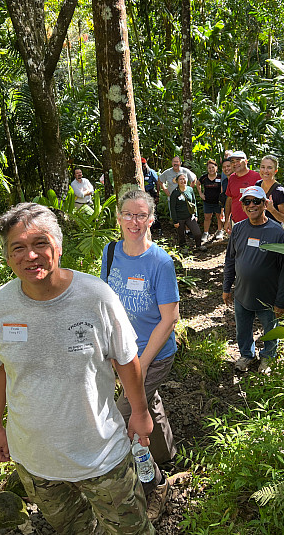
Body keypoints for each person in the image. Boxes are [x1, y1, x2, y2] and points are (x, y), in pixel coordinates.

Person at [0, 202, 155, 534]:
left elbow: (125, 359)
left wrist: (140, 412)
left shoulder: (96, 296)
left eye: (40, 244)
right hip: (35, 461)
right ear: (8, 256)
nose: (30, 256)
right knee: (75, 528)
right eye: (18, 248)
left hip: (102, 454)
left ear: (58, 247)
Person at [101, 189, 179, 523]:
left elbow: (170, 318)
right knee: (148, 405)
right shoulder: (110, 252)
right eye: (129, 215)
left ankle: (156, 484)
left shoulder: (160, 262)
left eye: (142, 215)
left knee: (125, 419)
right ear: (118, 217)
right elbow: (104, 302)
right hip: (122, 352)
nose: (135, 222)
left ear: (151, 219)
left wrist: (141, 366)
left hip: (154, 355)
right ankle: (169, 455)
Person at [222, 186, 284, 374]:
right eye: (247, 201)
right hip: (242, 293)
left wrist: (281, 301)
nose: (251, 205)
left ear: (264, 204)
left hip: (267, 297)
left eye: (256, 201)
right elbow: (230, 259)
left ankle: (268, 357)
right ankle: (246, 354)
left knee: (270, 331)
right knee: (242, 329)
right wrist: (226, 286)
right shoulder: (238, 229)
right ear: (243, 206)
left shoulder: (277, 233)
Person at [223, 151, 259, 235]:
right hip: (236, 223)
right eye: (232, 162)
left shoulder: (256, 177)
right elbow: (229, 199)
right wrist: (227, 220)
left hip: (254, 224)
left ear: (246, 161)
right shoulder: (232, 178)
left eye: (238, 160)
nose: (235, 164)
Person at [170, 173, 205, 251]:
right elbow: (172, 207)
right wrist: (175, 221)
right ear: (177, 181)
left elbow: (194, 202)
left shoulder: (190, 189)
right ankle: (183, 248)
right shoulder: (175, 193)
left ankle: (199, 246)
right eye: (181, 179)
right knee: (181, 235)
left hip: (190, 216)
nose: (183, 181)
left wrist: (195, 215)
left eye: (184, 178)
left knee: (197, 233)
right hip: (179, 217)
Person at [255, 155, 284, 226]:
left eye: (269, 168)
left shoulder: (279, 191)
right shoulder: (257, 185)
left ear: (275, 171)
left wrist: (272, 210)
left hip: (273, 232)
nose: (265, 171)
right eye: (263, 167)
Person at [196, 159, 224, 242]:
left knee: (219, 217)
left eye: (213, 167)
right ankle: (205, 233)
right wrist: (200, 194)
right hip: (207, 202)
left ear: (216, 168)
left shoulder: (220, 177)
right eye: (209, 168)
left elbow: (223, 186)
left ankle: (219, 231)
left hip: (218, 202)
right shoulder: (204, 178)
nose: (211, 169)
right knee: (207, 217)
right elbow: (198, 183)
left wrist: (222, 197)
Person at [141, 158, 162, 234]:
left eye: (144, 165)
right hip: (142, 193)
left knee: (153, 210)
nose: (143, 167)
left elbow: (157, 183)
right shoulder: (139, 172)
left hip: (151, 193)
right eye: (141, 165)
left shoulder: (151, 172)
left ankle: (157, 227)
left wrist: (157, 195)